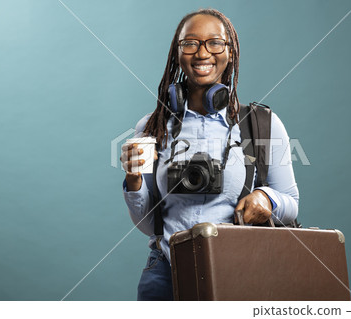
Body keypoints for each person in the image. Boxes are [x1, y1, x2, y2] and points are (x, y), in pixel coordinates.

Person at [120, 8, 299, 301]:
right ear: (177, 53)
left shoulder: (261, 124)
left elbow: (291, 203)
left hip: (240, 270)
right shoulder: (152, 127)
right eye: (190, 43)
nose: (203, 53)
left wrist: (266, 198)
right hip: (166, 274)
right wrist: (134, 179)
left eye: (215, 43)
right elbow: (147, 225)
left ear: (230, 53)